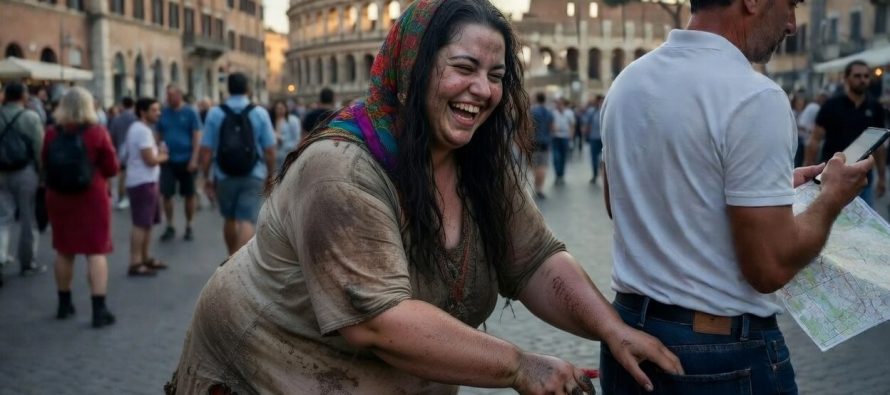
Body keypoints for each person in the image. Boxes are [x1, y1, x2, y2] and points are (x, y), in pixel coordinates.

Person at [168, 1, 682, 393]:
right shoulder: (339, 170)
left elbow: (533, 260)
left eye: (496, 76)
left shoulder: (476, 162)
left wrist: (613, 331)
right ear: (413, 69)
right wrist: (521, 365)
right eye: (464, 68)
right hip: (261, 373)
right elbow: (380, 322)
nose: (482, 89)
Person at [599, 0, 873, 392]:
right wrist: (832, 197)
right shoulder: (754, 96)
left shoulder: (628, 81)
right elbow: (769, 268)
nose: (793, 24)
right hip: (719, 352)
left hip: (628, 335)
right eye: (790, 4)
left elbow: (621, 204)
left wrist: (766, 190)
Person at [43, 87, 119, 328]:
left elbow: (45, 162)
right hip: (91, 197)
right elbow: (112, 167)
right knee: (95, 251)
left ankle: (64, 304)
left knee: (64, 250)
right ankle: (99, 309)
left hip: (59, 197)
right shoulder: (97, 132)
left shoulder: (51, 133)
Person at [199, 72, 276, 256]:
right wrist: (270, 174)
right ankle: (239, 263)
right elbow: (270, 150)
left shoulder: (215, 113)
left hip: (224, 174)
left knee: (230, 217)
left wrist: (206, 176)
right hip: (253, 173)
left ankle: (230, 255)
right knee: (247, 220)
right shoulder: (259, 113)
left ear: (228, 89)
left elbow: (207, 150)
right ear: (248, 89)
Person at [805, 60, 886, 207]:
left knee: (864, 227)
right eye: (857, 76)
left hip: (863, 181)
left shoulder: (875, 107)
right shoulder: (831, 105)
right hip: (833, 179)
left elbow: (879, 146)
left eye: (866, 76)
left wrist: (882, 177)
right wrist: (808, 171)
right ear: (846, 78)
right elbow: (815, 140)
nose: (863, 80)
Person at [0, 81, 45, 279]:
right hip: (25, 171)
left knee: (3, 218)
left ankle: (1, 258)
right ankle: (27, 263)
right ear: (23, 96)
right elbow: (39, 149)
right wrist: (42, 175)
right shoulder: (30, 117)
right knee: (28, 218)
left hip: (1, 172)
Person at [124, 98, 169, 276]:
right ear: (143, 112)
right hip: (142, 181)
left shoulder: (141, 129)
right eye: (154, 110)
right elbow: (149, 160)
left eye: (158, 110)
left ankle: (145, 257)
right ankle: (135, 262)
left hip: (146, 180)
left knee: (147, 222)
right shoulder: (141, 131)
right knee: (141, 223)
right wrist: (163, 156)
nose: (158, 113)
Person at [157, 85, 202, 241]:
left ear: (179, 95)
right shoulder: (164, 112)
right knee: (166, 194)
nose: (167, 98)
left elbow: (197, 137)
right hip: (168, 161)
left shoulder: (190, 112)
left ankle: (189, 224)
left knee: (189, 195)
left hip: (187, 160)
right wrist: (158, 151)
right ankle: (170, 225)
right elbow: (159, 133)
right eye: (167, 94)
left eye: (170, 95)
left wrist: (195, 159)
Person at [108, 97, 137, 210]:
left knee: (122, 175)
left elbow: (112, 136)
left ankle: (122, 197)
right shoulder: (135, 118)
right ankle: (131, 196)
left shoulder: (117, 119)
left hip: (121, 149)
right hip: (133, 149)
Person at [530, 92, 553, 199]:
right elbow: (551, 127)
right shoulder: (549, 111)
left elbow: (528, 126)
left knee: (535, 165)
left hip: (534, 141)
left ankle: (536, 187)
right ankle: (540, 188)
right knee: (543, 165)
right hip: (545, 141)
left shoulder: (533, 111)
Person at [270, 100, 301, 172]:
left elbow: (296, 139)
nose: (279, 110)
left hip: (287, 154)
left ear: (286, 108)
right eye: (277, 108)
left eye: (281, 108)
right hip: (275, 156)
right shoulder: (271, 121)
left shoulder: (293, 120)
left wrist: (282, 139)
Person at [551, 98, 575, 185]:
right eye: (557, 103)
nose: (558, 105)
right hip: (556, 137)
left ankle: (561, 175)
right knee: (556, 158)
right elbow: (550, 123)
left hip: (565, 137)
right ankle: (557, 174)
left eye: (560, 103)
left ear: (563, 104)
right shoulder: (553, 113)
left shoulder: (569, 113)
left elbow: (572, 124)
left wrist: (571, 135)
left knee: (564, 157)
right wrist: (553, 128)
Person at [586, 95, 604, 184]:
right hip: (594, 138)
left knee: (604, 158)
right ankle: (595, 174)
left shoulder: (606, 111)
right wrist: (587, 135)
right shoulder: (592, 112)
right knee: (594, 158)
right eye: (599, 101)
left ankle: (604, 174)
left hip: (604, 140)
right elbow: (588, 124)